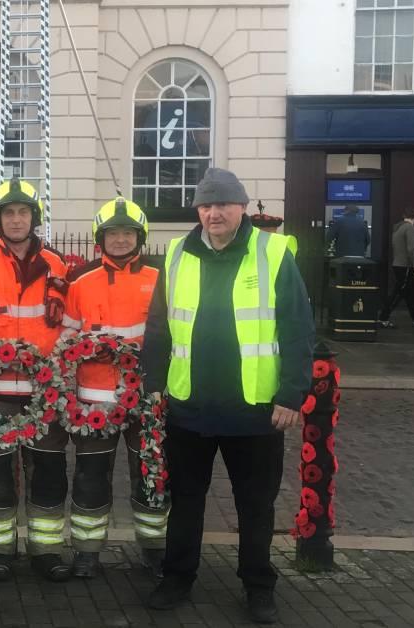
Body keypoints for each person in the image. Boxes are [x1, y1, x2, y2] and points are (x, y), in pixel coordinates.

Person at [141, 167, 314, 624]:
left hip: (254, 410)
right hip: (189, 406)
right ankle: (177, 577)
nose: (214, 213)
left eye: (223, 205)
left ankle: (258, 585)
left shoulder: (273, 253)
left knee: (255, 505)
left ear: (242, 208)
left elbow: (298, 329)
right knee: (187, 501)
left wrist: (292, 393)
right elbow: (159, 325)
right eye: (206, 205)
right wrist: (153, 382)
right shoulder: (177, 252)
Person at [0, 177, 71, 582]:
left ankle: (46, 551)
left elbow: (69, 324)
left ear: (34, 217)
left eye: (24, 212)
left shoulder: (59, 265)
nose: (17, 219)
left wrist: (51, 362)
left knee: (49, 472)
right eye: (9, 212)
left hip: (45, 392)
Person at [61, 198, 167, 578]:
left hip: (147, 400)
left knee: (150, 474)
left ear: (140, 237)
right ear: (99, 238)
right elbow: (68, 340)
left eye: (127, 233)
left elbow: (170, 339)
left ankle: (154, 551)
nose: (120, 240)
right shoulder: (81, 283)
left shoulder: (160, 279)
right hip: (94, 401)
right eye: (112, 233)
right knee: (90, 476)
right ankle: (87, 552)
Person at [378, 208, 414, 328]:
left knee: (410, 294)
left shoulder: (398, 228)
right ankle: (383, 318)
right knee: (398, 293)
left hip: (398, 264)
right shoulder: (410, 228)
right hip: (406, 266)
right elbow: (412, 249)